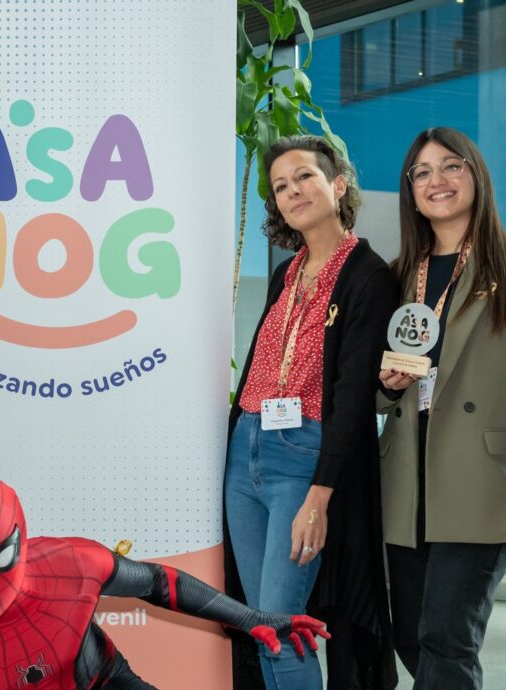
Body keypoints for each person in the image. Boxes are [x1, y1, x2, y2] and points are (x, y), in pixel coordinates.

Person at [223, 135, 398, 690]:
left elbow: (352, 396)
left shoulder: (368, 276)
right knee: (260, 628)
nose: (292, 191)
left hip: (302, 461)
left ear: (337, 184)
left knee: (281, 628)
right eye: (280, 186)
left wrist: (319, 498)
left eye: (304, 177)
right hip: (245, 451)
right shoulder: (286, 273)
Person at [0, 475, 329, 690]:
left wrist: (249, 617)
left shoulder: (70, 564)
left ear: (21, 543)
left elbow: (160, 584)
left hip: (102, 682)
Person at [378, 127, 506, 690]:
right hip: (406, 481)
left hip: (481, 476)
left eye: (452, 166)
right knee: (410, 634)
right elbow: (370, 386)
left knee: (447, 638)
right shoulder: (397, 275)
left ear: (476, 174)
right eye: (423, 172)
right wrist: (386, 387)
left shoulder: (502, 267)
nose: (438, 181)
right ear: (410, 189)